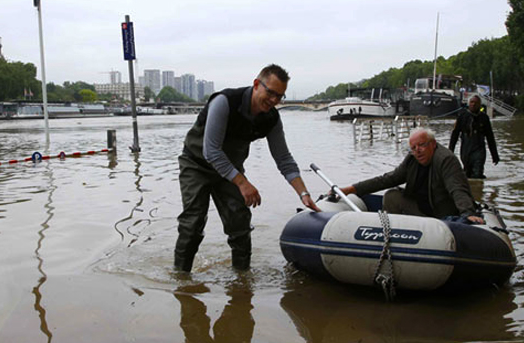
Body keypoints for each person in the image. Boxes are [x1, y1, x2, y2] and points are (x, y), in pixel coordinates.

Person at [174, 64, 320, 272]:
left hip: (230, 170)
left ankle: (242, 282)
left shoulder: (271, 119)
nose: (274, 101)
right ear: (256, 84)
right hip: (197, 165)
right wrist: (243, 182)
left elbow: (284, 159)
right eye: (270, 93)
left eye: (280, 96)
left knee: (240, 224)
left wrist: (303, 194)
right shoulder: (224, 102)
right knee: (193, 224)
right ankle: (181, 278)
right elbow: (211, 152)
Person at [337, 128, 484, 224]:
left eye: (422, 145)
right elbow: (388, 179)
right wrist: (352, 189)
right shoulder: (412, 159)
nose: (417, 151)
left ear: (433, 144)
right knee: (391, 196)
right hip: (421, 208)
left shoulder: (446, 159)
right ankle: (396, 233)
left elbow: (457, 188)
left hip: (441, 214)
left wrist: (467, 213)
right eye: (413, 148)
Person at [449, 95, 499, 179]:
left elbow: (490, 137)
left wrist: (495, 155)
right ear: (468, 104)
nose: (473, 104)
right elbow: (455, 135)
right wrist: (450, 152)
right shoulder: (462, 116)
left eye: (476, 103)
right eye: (472, 102)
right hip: (466, 150)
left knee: (477, 174)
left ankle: (479, 189)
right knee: (467, 175)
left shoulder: (484, 118)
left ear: (480, 105)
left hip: (479, 149)